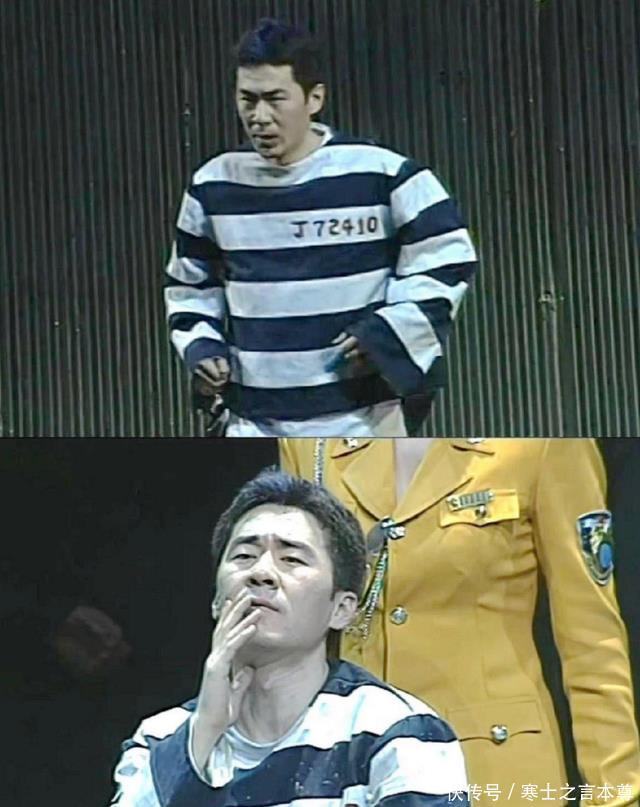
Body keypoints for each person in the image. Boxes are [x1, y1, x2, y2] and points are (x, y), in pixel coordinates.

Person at [280, 438, 640, 807]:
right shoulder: (313, 445)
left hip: (494, 767)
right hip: (355, 769)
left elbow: (592, 643)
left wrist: (616, 795)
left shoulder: (541, 445)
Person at [164, 18, 478, 437]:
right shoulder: (213, 185)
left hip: (366, 420)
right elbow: (189, 285)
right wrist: (201, 346)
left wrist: (392, 330)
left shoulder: (384, 174)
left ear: (315, 98)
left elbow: (447, 260)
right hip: (253, 421)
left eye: (275, 99)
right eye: (247, 99)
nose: (259, 117)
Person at [110, 468, 469, 806]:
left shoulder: (396, 730)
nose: (261, 572)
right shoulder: (158, 739)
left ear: (341, 609)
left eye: (292, 559)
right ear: (217, 601)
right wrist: (202, 732)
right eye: (244, 555)